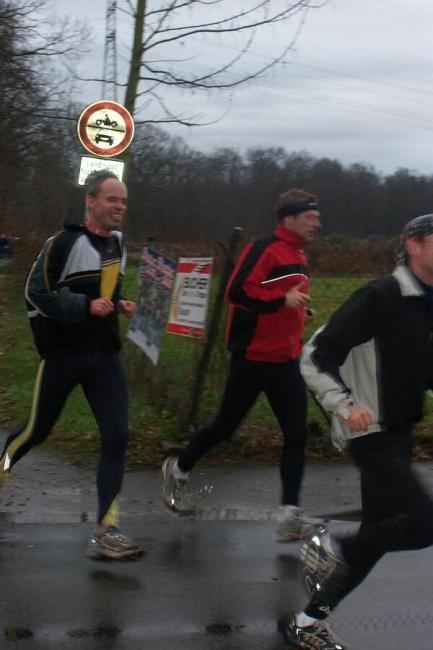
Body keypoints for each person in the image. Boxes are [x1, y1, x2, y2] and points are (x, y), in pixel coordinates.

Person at [280, 214, 433, 649]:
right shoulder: (380, 296)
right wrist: (343, 405)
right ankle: (330, 544)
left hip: (398, 433)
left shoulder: (427, 305)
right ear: (414, 245)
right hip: (369, 433)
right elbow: (313, 355)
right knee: (422, 526)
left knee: (376, 540)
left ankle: (309, 621)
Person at [161, 188, 322, 542]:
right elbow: (237, 293)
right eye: (310, 217)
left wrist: (298, 314)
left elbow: (284, 302)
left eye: (317, 217)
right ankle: (179, 467)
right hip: (252, 358)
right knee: (224, 427)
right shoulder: (262, 250)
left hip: (284, 360)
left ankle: (288, 516)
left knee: (297, 433)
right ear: (288, 219)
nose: (316, 223)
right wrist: (283, 300)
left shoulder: (299, 256)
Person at [0, 172, 144, 561]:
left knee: (117, 436)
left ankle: (106, 530)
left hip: (104, 356)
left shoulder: (118, 245)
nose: (119, 207)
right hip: (64, 355)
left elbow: (108, 291)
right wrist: (83, 306)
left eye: (124, 201)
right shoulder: (62, 243)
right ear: (91, 202)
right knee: (33, 433)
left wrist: (122, 302)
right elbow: (35, 293)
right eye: (112, 200)